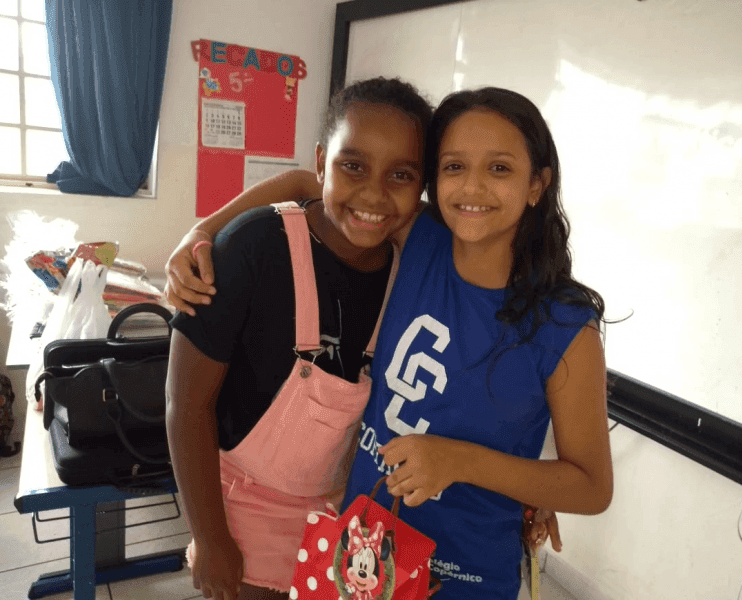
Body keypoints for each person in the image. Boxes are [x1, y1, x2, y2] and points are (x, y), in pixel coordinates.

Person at [167, 86, 611, 600]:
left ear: (537, 184)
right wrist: (201, 233)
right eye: (454, 166)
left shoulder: (565, 325)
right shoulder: (421, 238)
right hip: (361, 551)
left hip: (463, 575)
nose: (473, 187)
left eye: (499, 168)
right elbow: (310, 182)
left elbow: (592, 487)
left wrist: (463, 463)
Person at [165, 77, 432, 600]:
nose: (374, 194)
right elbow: (186, 403)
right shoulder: (252, 247)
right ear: (321, 162)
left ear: (421, 187)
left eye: (401, 175)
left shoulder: (409, 265)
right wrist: (211, 539)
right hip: (240, 512)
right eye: (353, 166)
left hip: (342, 512)